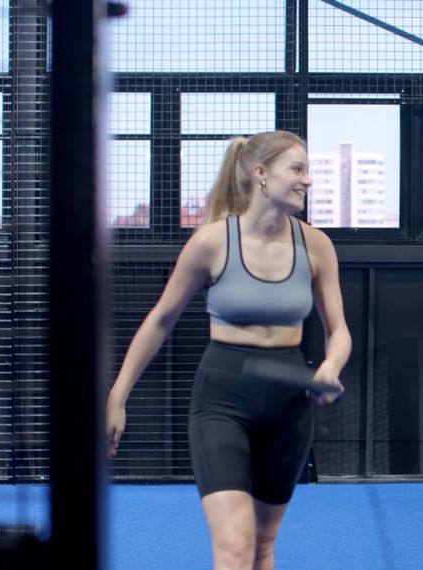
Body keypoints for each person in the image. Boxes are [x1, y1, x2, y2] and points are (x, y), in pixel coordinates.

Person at [105, 130, 352, 570]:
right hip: (222, 401)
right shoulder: (212, 242)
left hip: (289, 408)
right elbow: (161, 319)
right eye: (297, 169)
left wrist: (331, 366)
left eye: (308, 171)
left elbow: (339, 331)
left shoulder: (316, 246)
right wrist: (117, 396)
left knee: (261, 548)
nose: (307, 180)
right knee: (235, 549)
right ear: (261, 174)